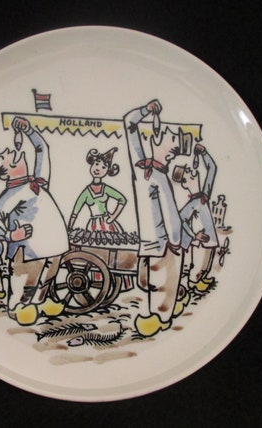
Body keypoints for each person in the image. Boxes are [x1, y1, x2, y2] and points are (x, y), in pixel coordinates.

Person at [0, 117, 69, 325]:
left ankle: (40, 302)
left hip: (52, 244)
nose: (9, 151)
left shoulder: (37, 180)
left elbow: (42, 148)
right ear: (6, 170)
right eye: (3, 156)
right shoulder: (10, 195)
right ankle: (17, 307)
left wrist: (29, 130)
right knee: (25, 277)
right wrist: (11, 235)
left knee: (49, 273)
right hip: (28, 248)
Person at [123, 99, 188, 337]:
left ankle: (160, 316)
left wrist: (175, 239)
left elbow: (170, 213)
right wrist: (145, 110)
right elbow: (130, 123)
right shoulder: (144, 167)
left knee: (163, 280)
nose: (164, 135)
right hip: (161, 240)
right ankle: (159, 316)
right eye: (169, 135)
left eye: (170, 138)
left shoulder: (155, 172)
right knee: (161, 279)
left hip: (163, 240)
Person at [173, 143, 219, 292]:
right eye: (187, 172)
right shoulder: (191, 204)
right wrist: (194, 235)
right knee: (198, 262)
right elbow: (181, 220)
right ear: (184, 183)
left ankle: (201, 278)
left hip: (208, 237)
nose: (191, 171)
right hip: (198, 241)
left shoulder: (204, 195)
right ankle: (194, 281)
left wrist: (204, 153)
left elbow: (212, 169)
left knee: (208, 257)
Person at [68, 147, 127, 233]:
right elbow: (75, 212)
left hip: (108, 225)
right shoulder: (86, 192)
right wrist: (69, 229)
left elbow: (122, 199)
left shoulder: (106, 189)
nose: (98, 169)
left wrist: (113, 217)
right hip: (93, 225)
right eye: (96, 164)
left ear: (108, 171)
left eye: (103, 167)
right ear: (92, 164)